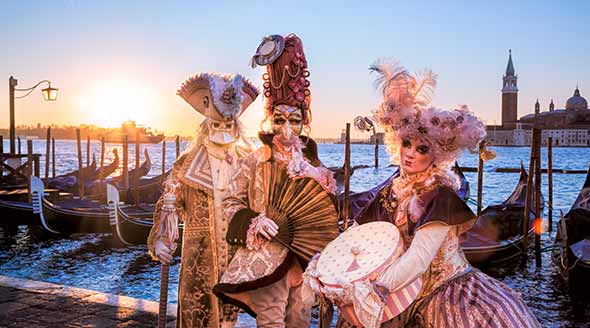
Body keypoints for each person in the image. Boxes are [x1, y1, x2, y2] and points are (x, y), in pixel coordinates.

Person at [335, 60, 540, 327]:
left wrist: (371, 286)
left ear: (436, 155)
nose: (409, 153)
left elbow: (419, 260)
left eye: (421, 149)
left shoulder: (439, 196)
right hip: (400, 291)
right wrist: (333, 267)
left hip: (443, 292)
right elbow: (358, 233)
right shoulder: (392, 191)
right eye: (406, 143)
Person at [213, 33, 336, 327]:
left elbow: (328, 208)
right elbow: (230, 200)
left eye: (294, 121)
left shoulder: (313, 162)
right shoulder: (255, 160)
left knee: (299, 317)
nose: (287, 130)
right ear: (271, 120)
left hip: (304, 255)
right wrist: (253, 220)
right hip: (267, 253)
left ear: (303, 122)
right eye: (280, 120)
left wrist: (316, 176)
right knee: (271, 319)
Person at [147, 72, 259, 327]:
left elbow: (259, 206)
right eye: (216, 126)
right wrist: (162, 240)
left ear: (236, 128)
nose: (221, 132)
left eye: (227, 126)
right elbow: (169, 206)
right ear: (206, 126)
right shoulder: (185, 165)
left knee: (231, 319)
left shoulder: (250, 165)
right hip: (198, 261)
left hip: (236, 261)